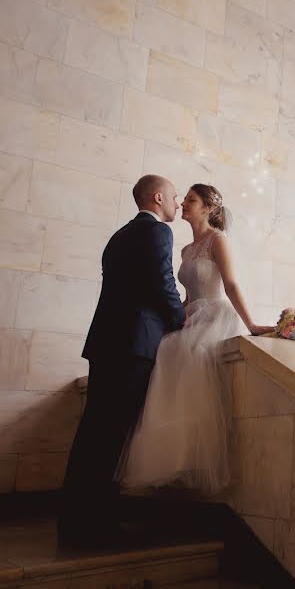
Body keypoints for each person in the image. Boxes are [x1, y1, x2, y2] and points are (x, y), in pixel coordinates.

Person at [117, 183, 274, 495]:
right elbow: (187, 298)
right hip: (193, 314)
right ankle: (174, 459)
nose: (183, 204)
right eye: (184, 199)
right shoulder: (187, 249)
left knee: (187, 355)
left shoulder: (219, 240)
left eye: (191, 200)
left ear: (208, 209)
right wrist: (171, 321)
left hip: (216, 314)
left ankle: (194, 459)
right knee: (167, 349)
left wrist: (252, 324)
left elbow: (229, 284)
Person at [60, 174, 186, 545]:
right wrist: (180, 318)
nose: (177, 204)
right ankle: (94, 525)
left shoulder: (119, 235)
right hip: (133, 344)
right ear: (158, 197)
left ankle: (74, 519)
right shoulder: (158, 233)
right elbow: (162, 282)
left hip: (106, 343)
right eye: (175, 197)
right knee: (110, 435)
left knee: (93, 433)